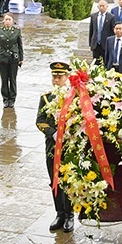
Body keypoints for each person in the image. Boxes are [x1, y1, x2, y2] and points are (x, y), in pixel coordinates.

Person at [36, 61, 74, 232]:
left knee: (69, 180)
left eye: (60, 77)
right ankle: (59, 212)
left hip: (69, 146)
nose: (56, 80)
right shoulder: (46, 98)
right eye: (54, 76)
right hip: (52, 145)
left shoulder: (74, 97)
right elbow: (40, 121)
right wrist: (52, 133)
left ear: (67, 78)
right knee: (54, 179)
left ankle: (69, 214)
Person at [0, 13, 23, 107]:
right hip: (3, 58)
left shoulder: (17, 31)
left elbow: (20, 45)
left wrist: (21, 58)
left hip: (13, 58)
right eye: (6, 20)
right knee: (4, 79)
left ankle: (12, 99)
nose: (7, 22)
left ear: (13, 21)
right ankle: (5, 99)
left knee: (13, 79)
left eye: (9, 20)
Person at [88, 0, 116, 65]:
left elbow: (113, 31)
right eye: (100, 6)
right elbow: (91, 30)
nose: (101, 8)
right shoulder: (94, 16)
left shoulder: (111, 17)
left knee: (106, 62)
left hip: (106, 44)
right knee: (96, 63)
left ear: (107, 6)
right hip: (96, 44)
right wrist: (90, 44)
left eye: (103, 6)